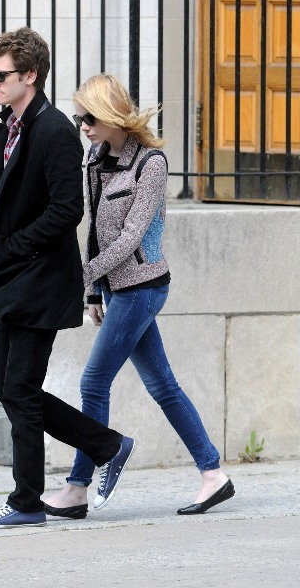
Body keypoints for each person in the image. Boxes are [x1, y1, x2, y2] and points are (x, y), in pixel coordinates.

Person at [44, 73, 234, 519]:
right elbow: (93, 230)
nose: (84, 127)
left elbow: (131, 237)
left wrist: (80, 276)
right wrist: (93, 290)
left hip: (143, 287)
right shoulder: (95, 160)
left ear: (112, 115)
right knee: (163, 385)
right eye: (79, 118)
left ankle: (77, 487)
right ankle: (213, 474)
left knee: (94, 383)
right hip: (115, 289)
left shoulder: (151, 164)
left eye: (90, 118)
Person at [0, 29, 135, 530]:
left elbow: (67, 210)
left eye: (2, 74)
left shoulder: (55, 131)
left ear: (30, 75)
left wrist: (16, 247)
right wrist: (0, 260)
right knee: (10, 389)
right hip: (11, 279)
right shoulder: (9, 126)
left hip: (40, 280)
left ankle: (26, 501)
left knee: (19, 389)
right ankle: (107, 445)